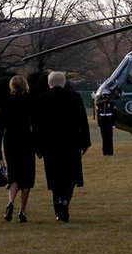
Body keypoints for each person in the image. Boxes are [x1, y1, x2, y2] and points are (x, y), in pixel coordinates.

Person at [34, 71, 91, 222]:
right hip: (71, 143)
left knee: (54, 177)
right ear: (64, 82)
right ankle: (65, 200)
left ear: (49, 83)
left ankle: (58, 206)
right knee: (70, 176)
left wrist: (38, 147)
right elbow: (83, 122)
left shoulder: (41, 100)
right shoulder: (75, 98)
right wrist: (85, 142)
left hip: (50, 145)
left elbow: (36, 127)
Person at [0, 75, 36, 223]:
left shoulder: (5, 102)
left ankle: (10, 202)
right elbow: (35, 124)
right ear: (25, 85)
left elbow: (0, 128)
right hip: (26, 139)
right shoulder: (29, 101)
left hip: (10, 140)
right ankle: (22, 211)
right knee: (27, 177)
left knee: (14, 175)